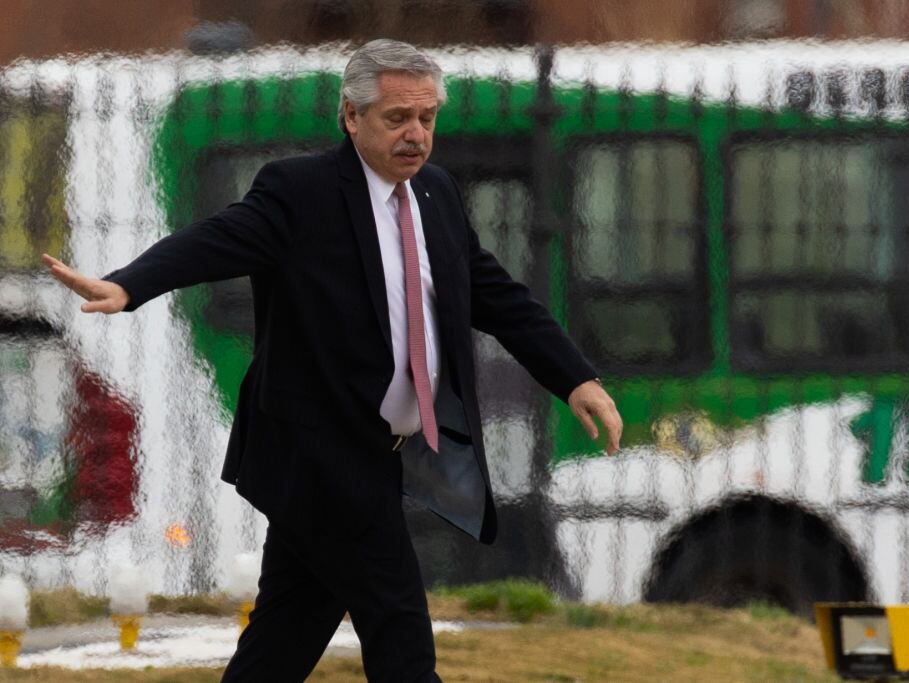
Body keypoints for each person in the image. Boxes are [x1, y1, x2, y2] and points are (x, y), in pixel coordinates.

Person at [41, 38, 622, 682]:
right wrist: (129, 285)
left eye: (427, 118)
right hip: (317, 455)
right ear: (351, 117)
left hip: (379, 455)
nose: (416, 135)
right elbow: (218, 240)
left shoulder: (435, 195)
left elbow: (494, 295)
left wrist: (575, 378)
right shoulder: (301, 190)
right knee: (400, 630)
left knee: (284, 640)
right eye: (396, 118)